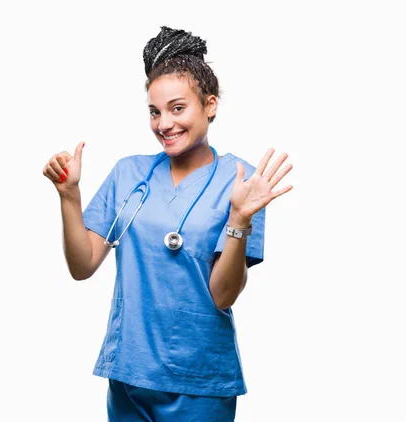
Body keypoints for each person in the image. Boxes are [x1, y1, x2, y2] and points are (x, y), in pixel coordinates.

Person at [42, 26, 293, 422]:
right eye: (155, 111)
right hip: (128, 373)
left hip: (200, 380)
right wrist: (69, 195)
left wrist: (240, 218)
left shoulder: (242, 183)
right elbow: (82, 266)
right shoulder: (129, 173)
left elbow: (224, 295)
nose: (164, 124)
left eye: (178, 108)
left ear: (209, 105)